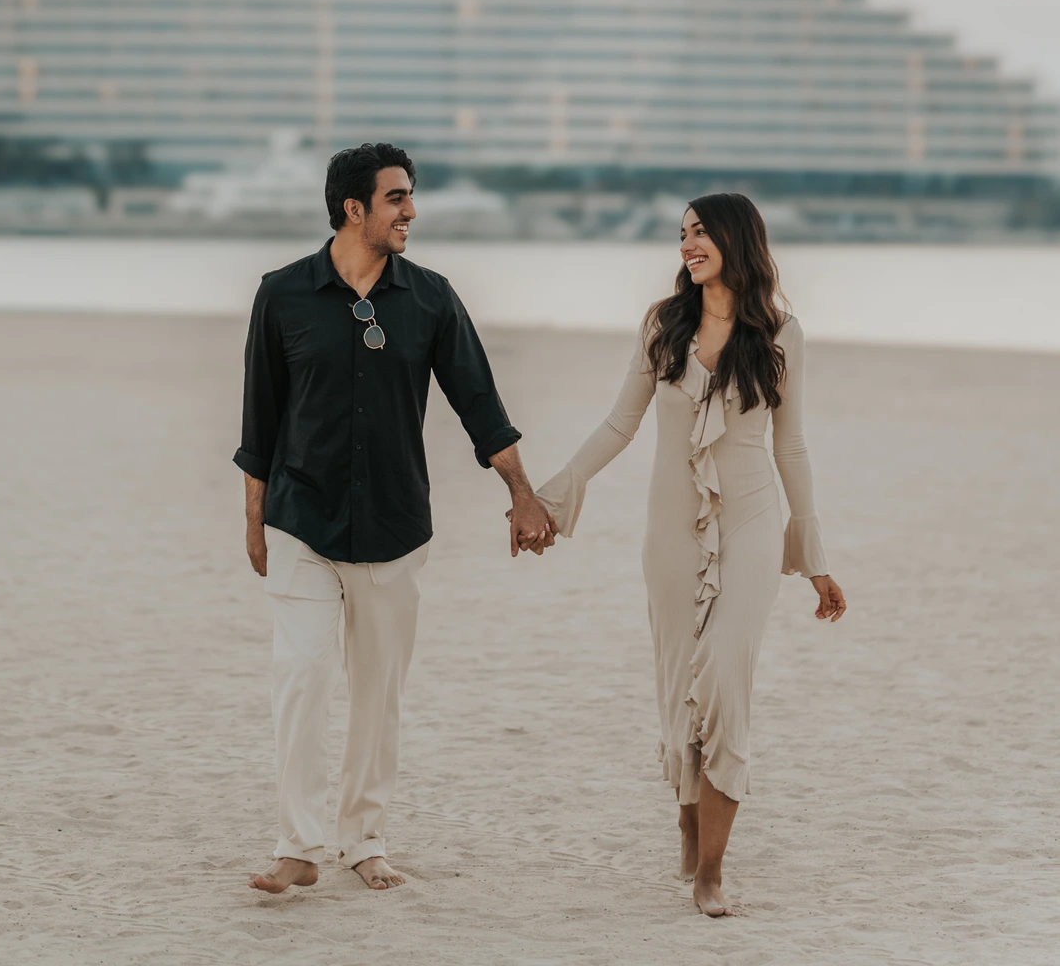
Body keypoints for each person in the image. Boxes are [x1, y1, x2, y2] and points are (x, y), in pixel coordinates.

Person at [236, 141, 556, 894]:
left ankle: (363, 839)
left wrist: (521, 491)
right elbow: (260, 419)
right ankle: (297, 846)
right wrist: (253, 523)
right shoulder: (280, 294)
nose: (411, 211)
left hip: (393, 524)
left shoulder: (433, 298)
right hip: (299, 518)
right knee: (303, 677)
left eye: (410, 197)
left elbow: (479, 403)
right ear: (354, 209)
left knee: (377, 694)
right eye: (397, 198)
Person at [534, 192, 846, 917]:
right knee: (678, 685)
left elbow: (789, 444)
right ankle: (687, 819)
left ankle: (710, 871)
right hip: (669, 525)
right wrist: (551, 498)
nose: (686, 244)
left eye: (699, 231)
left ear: (736, 237)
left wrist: (815, 555)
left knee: (723, 684)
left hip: (751, 519)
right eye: (681, 235)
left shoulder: (780, 332)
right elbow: (618, 424)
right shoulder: (662, 325)